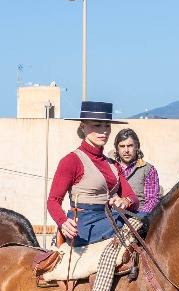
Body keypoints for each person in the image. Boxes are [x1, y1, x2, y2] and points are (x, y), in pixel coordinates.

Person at [46, 101, 137, 247]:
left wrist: (125, 201)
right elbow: (53, 200)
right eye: (97, 125)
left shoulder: (114, 165)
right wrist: (62, 222)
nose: (104, 131)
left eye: (107, 126)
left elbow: (133, 198)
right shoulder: (71, 161)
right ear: (83, 126)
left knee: (148, 219)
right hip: (83, 224)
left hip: (111, 218)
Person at [114, 127, 161, 215]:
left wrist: (139, 218)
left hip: (138, 216)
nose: (126, 150)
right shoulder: (110, 167)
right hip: (113, 216)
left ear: (137, 146)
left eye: (130, 146)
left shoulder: (148, 169)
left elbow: (152, 200)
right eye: (122, 146)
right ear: (117, 148)